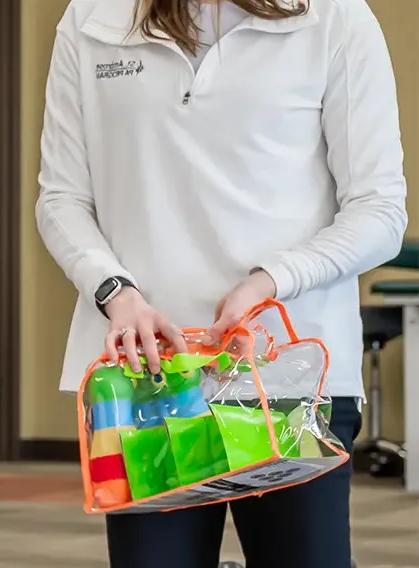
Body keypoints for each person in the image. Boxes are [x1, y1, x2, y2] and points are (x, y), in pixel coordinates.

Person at [36, 0, 407, 566]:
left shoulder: (334, 16)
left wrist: (271, 280)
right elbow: (61, 197)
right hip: (148, 380)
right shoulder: (93, 17)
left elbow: (379, 212)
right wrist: (115, 291)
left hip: (290, 372)